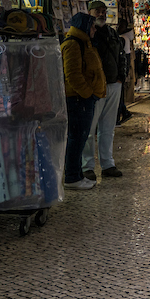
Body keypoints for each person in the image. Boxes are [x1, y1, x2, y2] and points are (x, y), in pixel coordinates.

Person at [62, 12, 106, 190]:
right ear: (85, 26)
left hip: (83, 99)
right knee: (77, 138)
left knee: (80, 138)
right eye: (92, 26)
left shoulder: (84, 42)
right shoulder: (73, 44)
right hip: (78, 100)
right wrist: (87, 93)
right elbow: (72, 75)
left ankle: (77, 174)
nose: (95, 29)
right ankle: (72, 177)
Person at [83, 1, 125, 180]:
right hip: (95, 86)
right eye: (97, 11)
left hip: (113, 84)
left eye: (104, 11)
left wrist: (121, 76)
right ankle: (87, 166)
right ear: (90, 12)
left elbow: (121, 55)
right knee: (89, 128)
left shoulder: (112, 33)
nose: (101, 14)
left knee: (108, 127)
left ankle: (107, 164)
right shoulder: (87, 34)